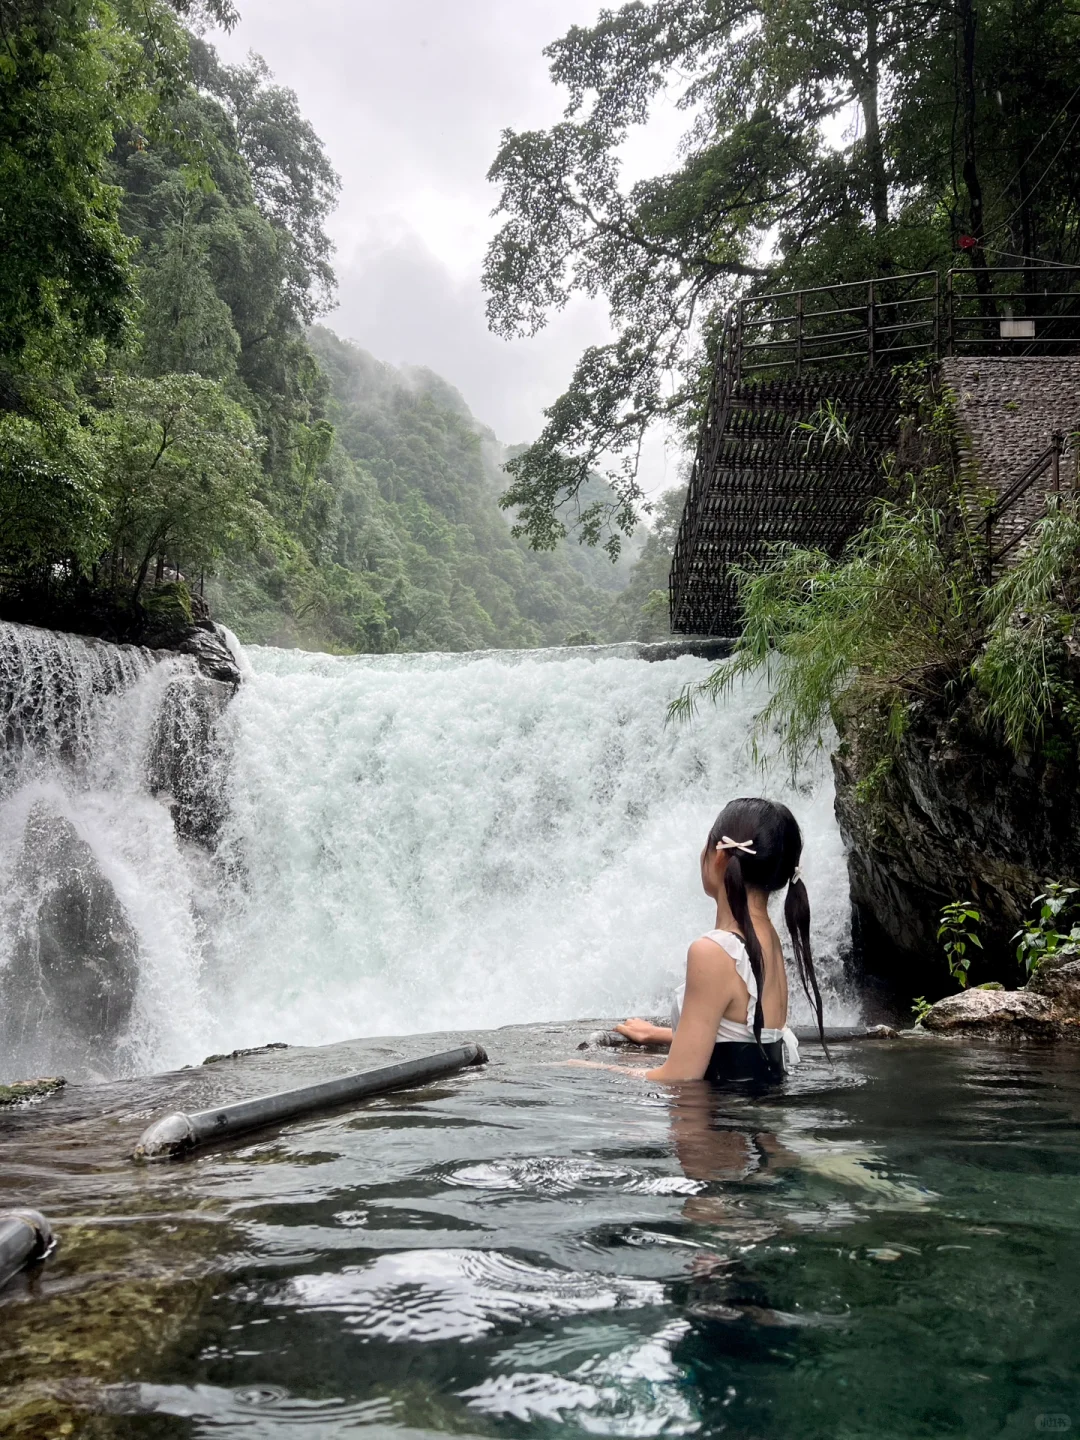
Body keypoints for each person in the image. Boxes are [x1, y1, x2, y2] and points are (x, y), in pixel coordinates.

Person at [611, 796, 827, 1085]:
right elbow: (741, 1036)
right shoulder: (769, 941)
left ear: (721, 856)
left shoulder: (715, 952)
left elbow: (679, 1078)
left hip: (711, 1128)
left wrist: (589, 1070)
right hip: (756, 1127)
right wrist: (659, 1034)